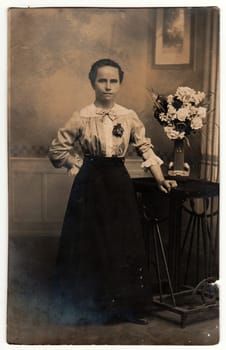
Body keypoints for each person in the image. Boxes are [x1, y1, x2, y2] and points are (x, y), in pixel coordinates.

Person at [48, 58, 177, 325]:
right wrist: (79, 165)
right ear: (92, 82)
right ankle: (86, 307)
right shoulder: (81, 116)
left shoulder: (128, 116)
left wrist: (161, 179)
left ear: (120, 83)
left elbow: (145, 149)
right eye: (102, 81)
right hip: (89, 185)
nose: (107, 86)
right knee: (89, 241)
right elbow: (57, 150)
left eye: (113, 81)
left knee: (122, 240)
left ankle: (125, 307)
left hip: (118, 183)